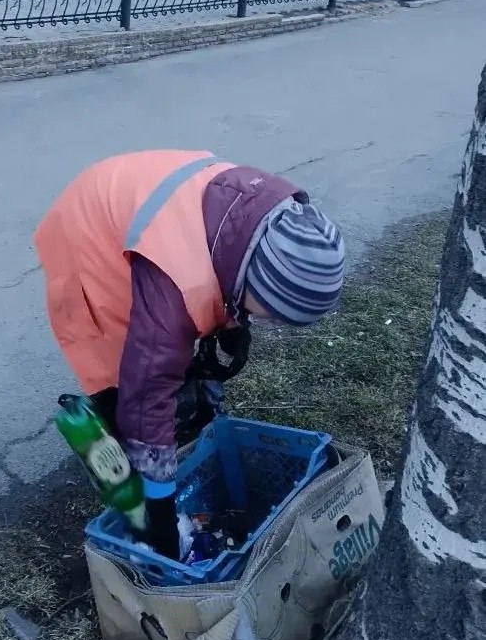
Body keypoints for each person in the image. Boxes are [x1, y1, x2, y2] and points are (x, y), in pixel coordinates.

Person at [34, 150, 344, 559]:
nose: (272, 325)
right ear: (256, 280)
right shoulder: (180, 284)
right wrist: (158, 508)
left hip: (144, 207)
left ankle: (187, 434)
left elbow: (228, 278)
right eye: (271, 314)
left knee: (175, 359)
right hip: (89, 234)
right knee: (129, 380)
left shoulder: (270, 220)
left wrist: (235, 324)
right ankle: (132, 474)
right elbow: (148, 385)